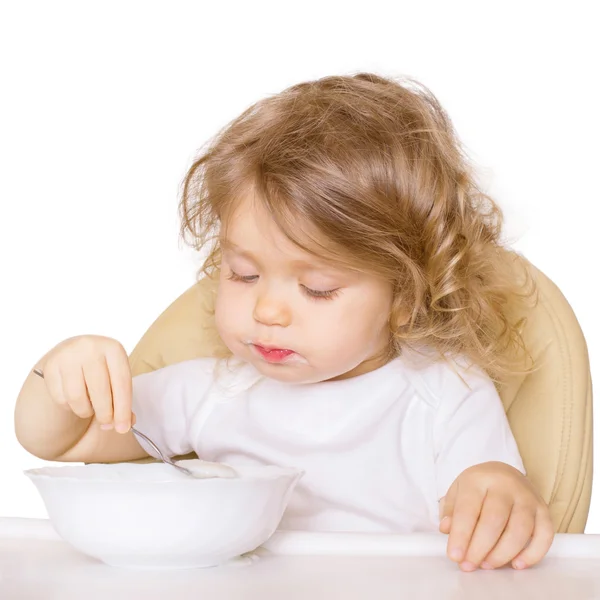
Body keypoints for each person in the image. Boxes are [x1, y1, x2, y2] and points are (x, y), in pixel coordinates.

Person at [15, 73, 553, 572]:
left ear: (405, 296)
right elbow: (66, 441)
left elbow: (490, 494)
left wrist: (498, 492)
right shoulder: (214, 390)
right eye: (243, 275)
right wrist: (61, 376)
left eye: (317, 289)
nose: (267, 311)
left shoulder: (445, 396)